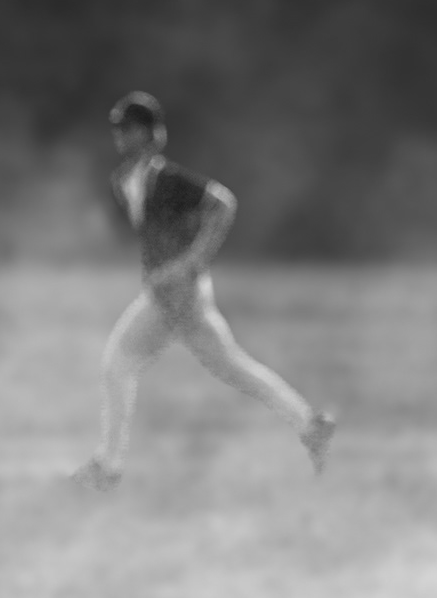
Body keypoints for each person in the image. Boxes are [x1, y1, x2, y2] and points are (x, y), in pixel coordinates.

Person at [74, 91, 335, 490]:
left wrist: (191, 263)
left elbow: (223, 204)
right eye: (119, 128)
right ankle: (310, 425)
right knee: (232, 367)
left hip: (180, 294)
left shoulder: (166, 178)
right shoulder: (126, 181)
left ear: (147, 133)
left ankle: (108, 469)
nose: (120, 135)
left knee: (119, 364)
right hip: (172, 294)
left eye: (128, 128)